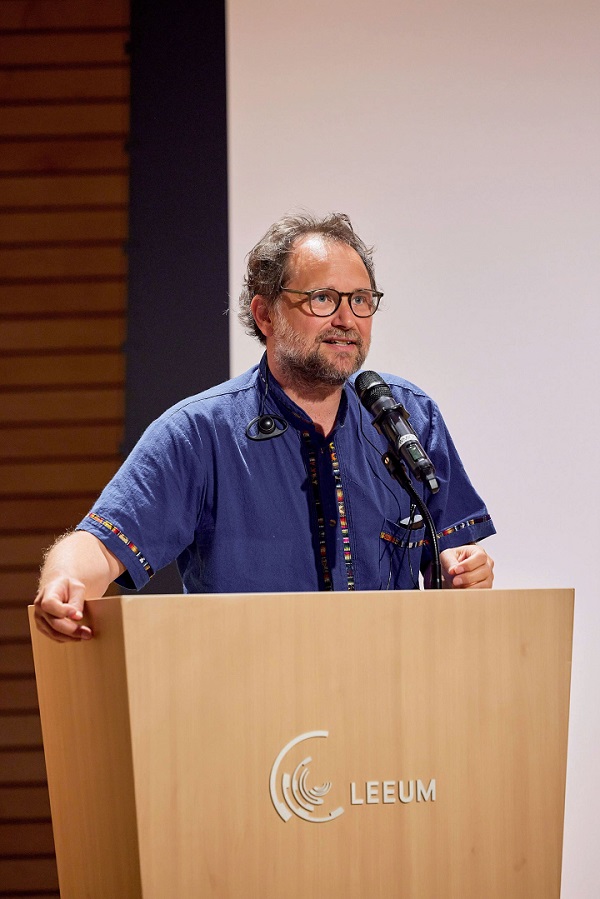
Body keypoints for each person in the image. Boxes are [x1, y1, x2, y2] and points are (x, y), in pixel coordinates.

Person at [34, 212, 495, 642]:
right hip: (254, 707)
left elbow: (454, 553)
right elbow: (99, 545)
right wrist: (63, 581)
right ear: (265, 314)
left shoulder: (405, 416)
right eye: (322, 299)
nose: (346, 319)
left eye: (360, 300)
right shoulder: (200, 433)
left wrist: (465, 569)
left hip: (394, 698)